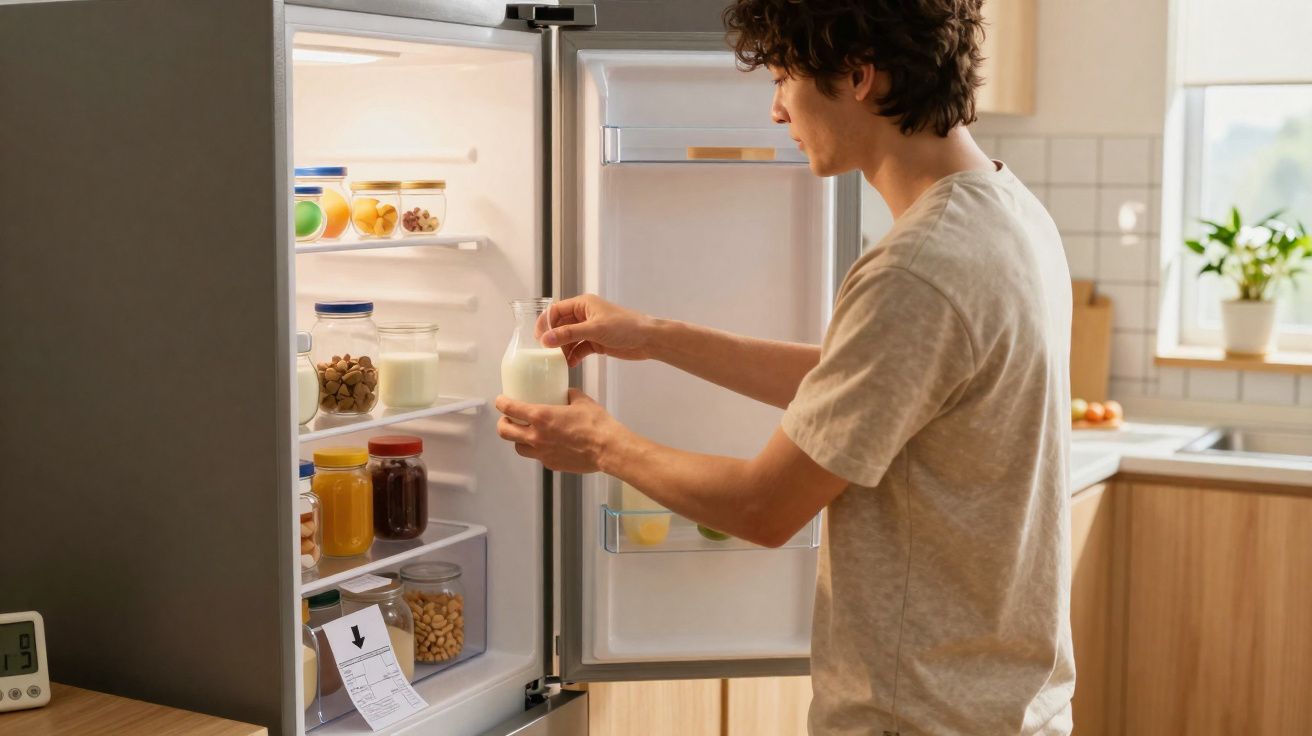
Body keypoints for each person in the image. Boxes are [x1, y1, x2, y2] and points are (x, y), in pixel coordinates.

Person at [495, 0, 1075, 732]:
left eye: (782, 80)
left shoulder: (918, 268)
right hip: (1009, 707)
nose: (775, 111)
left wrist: (602, 444)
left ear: (859, 76)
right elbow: (868, 383)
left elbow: (763, 508)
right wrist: (653, 336)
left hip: (921, 716)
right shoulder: (1007, 211)